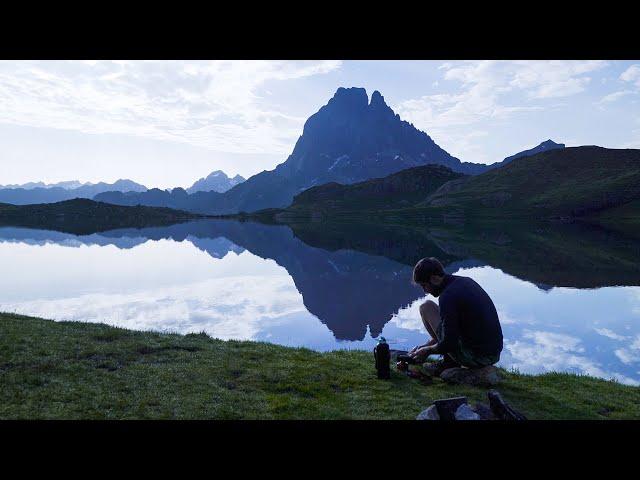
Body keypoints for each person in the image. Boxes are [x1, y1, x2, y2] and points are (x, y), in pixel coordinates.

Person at [408, 257, 503, 376]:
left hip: (479, 357)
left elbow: (449, 343)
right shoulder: (464, 282)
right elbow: (451, 328)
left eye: (424, 285)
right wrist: (425, 346)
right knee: (428, 306)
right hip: (493, 353)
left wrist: (427, 351)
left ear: (434, 279)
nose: (425, 291)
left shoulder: (447, 297)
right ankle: (449, 361)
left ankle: (449, 364)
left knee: (426, 308)